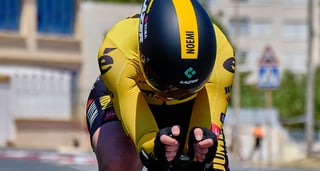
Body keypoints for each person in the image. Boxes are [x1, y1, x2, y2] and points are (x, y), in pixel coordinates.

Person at [85, 0, 235, 170]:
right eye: (163, 82)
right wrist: (152, 148)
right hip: (126, 98)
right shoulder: (116, 50)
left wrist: (200, 149)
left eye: (187, 88)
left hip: (192, 105)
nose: (170, 95)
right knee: (119, 162)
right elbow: (145, 140)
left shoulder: (223, 56)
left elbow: (204, 132)